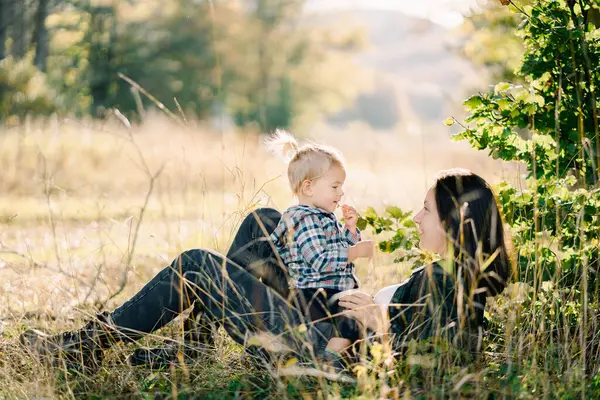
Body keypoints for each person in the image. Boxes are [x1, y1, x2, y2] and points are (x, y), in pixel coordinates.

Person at [19, 168, 512, 372]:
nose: (416, 216)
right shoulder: (447, 273)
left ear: (455, 221)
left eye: (426, 210)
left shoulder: (453, 282)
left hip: (319, 351)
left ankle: (86, 348)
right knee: (267, 222)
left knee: (197, 264)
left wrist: (373, 321)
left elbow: (437, 357)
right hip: (322, 320)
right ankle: (190, 351)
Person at [264, 130, 373, 356]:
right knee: (349, 322)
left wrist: (351, 231)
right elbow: (320, 260)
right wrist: (355, 252)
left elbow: (337, 250)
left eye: (341, 186)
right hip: (312, 295)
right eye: (334, 186)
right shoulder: (304, 219)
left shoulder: (323, 217)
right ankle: (327, 362)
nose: (341, 192)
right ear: (308, 188)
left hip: (329, 292)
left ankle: (329, 358)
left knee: (353, 321)